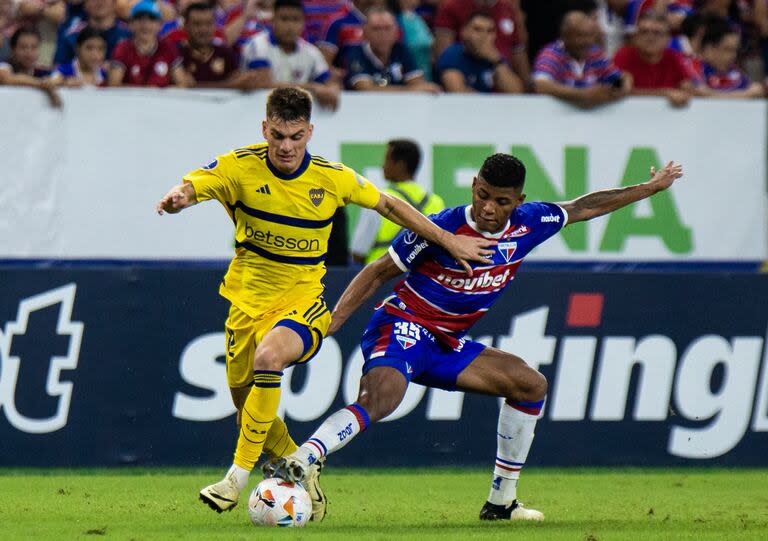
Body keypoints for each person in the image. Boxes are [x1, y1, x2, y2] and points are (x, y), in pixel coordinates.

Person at [266, 154, 684, 521]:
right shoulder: (441, 228)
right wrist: (334, 322)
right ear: (474, 186)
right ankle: (303, 459)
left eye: (501, 201)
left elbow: (583, 206)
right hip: (403, 326)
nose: (488, 207)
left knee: (529, 384)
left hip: (448, 343)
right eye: (482, 194)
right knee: (383, 398)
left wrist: (649, 188)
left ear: (518, 202)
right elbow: (377, 271)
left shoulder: (531, 223)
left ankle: (501, 503)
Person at [155, 87, 496, 519]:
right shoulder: (237, 167)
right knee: (247, 406)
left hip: (304, 304)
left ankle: (235, 479)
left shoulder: (332, 177)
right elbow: (193, 185)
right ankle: (302, 467)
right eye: (277, 135)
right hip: (245, 304)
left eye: (295, 136)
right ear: (264, 128)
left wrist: (447, 239)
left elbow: (390, 205)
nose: (285, 146)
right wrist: (179, 198)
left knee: (270, 356)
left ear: (310, 132)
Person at [351, 139, 445, 265]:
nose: (382, 166)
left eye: (387, 160)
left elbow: (358, 252)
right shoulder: (436, 202)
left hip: (382, 277)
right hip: (420, 278)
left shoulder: (378, 199)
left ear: (400, 164)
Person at [240, 0, 340, 109]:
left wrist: (332, 89)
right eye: (284, 19)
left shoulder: (311, 52)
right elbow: (264, 85)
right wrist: (312, 87)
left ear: (303, 23)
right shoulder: (258, 45)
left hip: (296, 114)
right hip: (257, 110)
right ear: (273, 20)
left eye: (296, 20)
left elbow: (329, 82)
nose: (290, 26)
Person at [533, 10, 631, 107]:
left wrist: (620, 89)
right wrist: (583, 95)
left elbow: (622, 77)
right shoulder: (552, 54)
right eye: (580, 36)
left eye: (590, 35)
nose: (587, 41)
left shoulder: (595, 53)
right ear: (564, 36)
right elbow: (540, 85)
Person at [340, 7, 440, 92]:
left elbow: (419, 83)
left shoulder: (402, 50)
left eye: (387, 28)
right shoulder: (356, 53)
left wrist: (415, 89)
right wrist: (410, 90)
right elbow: (365, 89)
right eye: (376, 29)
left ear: (396, 32)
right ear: (365, 32)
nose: (382, 34)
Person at [613, 12, 700, 107]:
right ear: (635, 37)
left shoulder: (674, 58)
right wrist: (665, 93)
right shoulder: (623, 55)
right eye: (644, 32)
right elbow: (619, 91)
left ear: (668, 39)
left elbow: (689, 88)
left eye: (657, 33)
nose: (650, 37)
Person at [435, 10, 524, 93]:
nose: (483, 35)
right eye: (477, 29)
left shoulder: (496, 58)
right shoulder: (452, 54)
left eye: (489, 31)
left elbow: (515, 92)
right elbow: (458, 91)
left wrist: (497, 61)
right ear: (464, 32)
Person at [108, 0, 186, 87]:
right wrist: (145, 92)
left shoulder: (168, 47)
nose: (145, 24)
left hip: (161, 100)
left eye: (151, 19)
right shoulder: (122, 48)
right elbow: (113, 85)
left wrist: (160, 93)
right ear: (130, 24)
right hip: (131, 100)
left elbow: (182, 83)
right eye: (139, 19)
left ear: (160, 25)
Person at [694, 17, 764, 98]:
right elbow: (703, 94)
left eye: (735, 50)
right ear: (709, 49)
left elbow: (755, 90)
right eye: (727, 49)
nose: (733, 55)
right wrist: (745, 95)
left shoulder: (735, 71)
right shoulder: (696, 69)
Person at [178, 2, 244, 88]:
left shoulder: (225, 53)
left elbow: (238, 83)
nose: (204, 29)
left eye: (209, 23)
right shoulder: (177, 54)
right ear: (185, 26)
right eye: (197, 24)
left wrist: (196, 86)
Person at [0, 27, 62, 107]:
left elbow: (62, 79)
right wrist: (42, 84)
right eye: (23, 47)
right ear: (13, 50)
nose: (29, 53)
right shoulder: (4, 65)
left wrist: (58, 81)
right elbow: (6, 78)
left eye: (34, 47)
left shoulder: (43, 71)